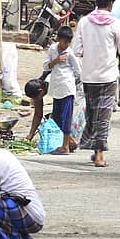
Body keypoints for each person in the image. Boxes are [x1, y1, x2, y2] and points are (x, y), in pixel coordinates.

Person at [73, 0, 120, 167]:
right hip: (108, 76)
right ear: (111, 5)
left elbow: (77, 49)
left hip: (89, 75)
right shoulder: (114, 23)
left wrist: (90, 52)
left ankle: (94, 149)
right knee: (104, 116)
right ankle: (99, 155)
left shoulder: (84, 22)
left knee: (92, 114)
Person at [43, 26, 82, 154]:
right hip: (56, 88)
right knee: (57, 118)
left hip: (67, 88)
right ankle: (72, 141)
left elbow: (78, 71)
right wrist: (56, 60)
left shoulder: (70, 53)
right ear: (59, 39)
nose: (66, 45)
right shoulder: (52, 49)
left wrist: (75, 84)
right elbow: (46, 66)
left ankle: (65, 146)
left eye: (68, 42)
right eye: (64, 41)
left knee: (66, 118)